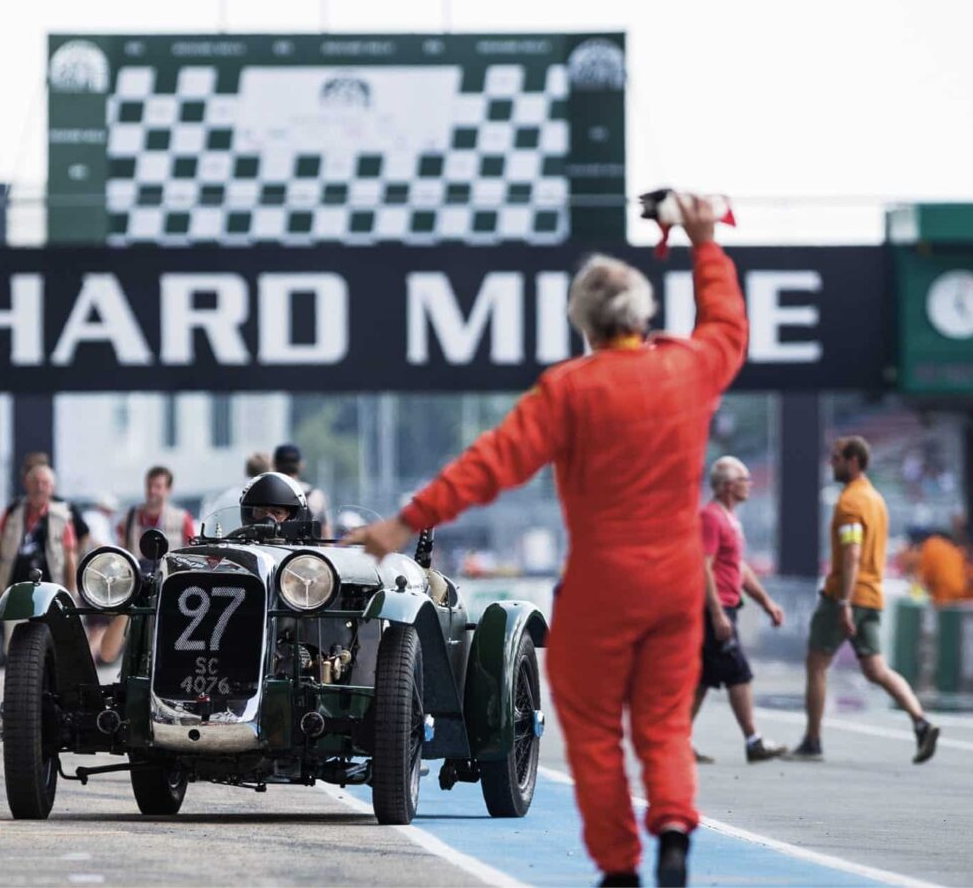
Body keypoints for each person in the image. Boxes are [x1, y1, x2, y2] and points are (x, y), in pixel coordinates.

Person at [345, 199, 741, 887]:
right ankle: (674, 829)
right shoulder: (687, 371)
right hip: (676, 584)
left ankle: (620, 868)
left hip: (601, 584)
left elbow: (490, 463)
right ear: (642, 318)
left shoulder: (570, 389)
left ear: (585, 324)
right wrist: (703, 243)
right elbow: (727, 328)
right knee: (664, 724)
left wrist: (405, 520)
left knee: (591, 730)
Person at [794, 436, 939, 766]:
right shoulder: (875, 499)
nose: (831, 463)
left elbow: (852, 554)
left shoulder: (850, 503)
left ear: (854, 461)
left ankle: (812, 740)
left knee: (816, 664)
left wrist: (843, 601)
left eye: (836, 458)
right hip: (872, 595)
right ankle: (920, 721)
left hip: (846, 595)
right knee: (875, 668)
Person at [690, 457, 787, 764]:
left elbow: (739, 570)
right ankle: (753, 741)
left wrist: (766, 602)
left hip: (726, 607)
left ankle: (676, 744)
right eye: (745, 480)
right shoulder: (711, 518)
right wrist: (717, 613)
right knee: (739, 673)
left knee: (702, 680)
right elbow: (702, 567)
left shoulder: (730, 520)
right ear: (729, 486)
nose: (750, 485)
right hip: (713, 610)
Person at [98, 466, 197, 663]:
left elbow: (191, 552)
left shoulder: (181, 518)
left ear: (168, 490)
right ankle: (118, 656)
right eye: (150, 486)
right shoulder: (130, 517)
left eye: (158, 486)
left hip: (169, 582)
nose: (153, 491)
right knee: (123, 622)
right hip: (136, 581)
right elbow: (121, 549)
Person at [0, 464, 78, 595]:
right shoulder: (12, 512)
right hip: (14, 588)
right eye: (35, 483)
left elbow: (70, 557)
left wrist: (71, 592)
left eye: (44, 483)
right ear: (26, 484)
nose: (39, 488)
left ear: (52, 488)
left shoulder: (61, 517)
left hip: (50, 590)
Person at [273, 444, 330, 537]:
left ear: (275, 464)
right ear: (301, 465)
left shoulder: (268, 492)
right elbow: (325, 532)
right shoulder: (315, 494)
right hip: (307, 550)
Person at [200, 451, 272, 524]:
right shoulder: (273, 500)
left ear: (246, 470)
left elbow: (210, 529)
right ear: (269, 471)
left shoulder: (225, 499)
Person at [915, 520, 968, 606]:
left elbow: (925, 575)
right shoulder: (953, 549)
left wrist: (916, 595)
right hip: (959, 591)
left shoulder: (931, 545)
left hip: (943, 592)